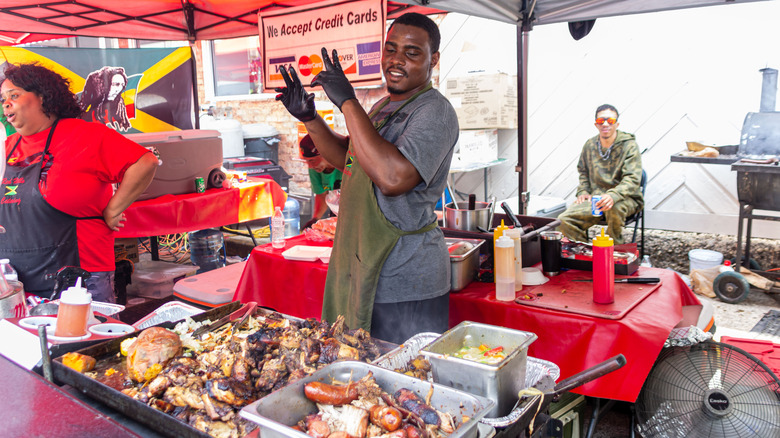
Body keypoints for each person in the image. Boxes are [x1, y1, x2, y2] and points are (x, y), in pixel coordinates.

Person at [275, 13, 459, 344]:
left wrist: (347, 101)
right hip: (365, 271)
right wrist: (310, 117)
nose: (397, 60)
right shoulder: (382, 107)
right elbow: (350, 158)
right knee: (361, 375)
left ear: (435, 59)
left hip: (406, 278)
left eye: (412, 52)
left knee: (402, 379)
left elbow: (392, 177)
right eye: (390, 49)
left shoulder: (435, 111)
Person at [0, 63, 157, 302]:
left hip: (81, 279)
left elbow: (145, 162)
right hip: (16, 280)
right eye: (3, 99)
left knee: (87, 339)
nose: (6, 103)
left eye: (15, 95)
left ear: (42, 97)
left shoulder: (85, 135)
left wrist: (114, 209)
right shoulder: (7, 146)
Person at [558, 104, 643, 244]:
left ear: (617, 123)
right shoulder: (590, 145)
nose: (605, 124)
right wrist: (583, 191)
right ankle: (584, 251)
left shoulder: (629, 145)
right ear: (595, 124)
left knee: (613, 208)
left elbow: (632, 179)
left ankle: (613, 253)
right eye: (600, 121)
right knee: (563, 220)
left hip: (625, 198)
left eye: (610, 121)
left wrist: (612, 196)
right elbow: (583, 171)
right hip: (596, 199)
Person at [299, 134, 342, 229]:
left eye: (312, 161)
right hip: (338, 213)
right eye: (306, 161)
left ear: (325, 153)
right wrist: (315, 219)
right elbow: (322, 195)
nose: (310, 166)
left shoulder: (350, 161)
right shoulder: (315, 169)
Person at [80, 66, 133, 131]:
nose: (119, 89)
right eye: (116, 84)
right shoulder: (86, 119)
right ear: (101, 86)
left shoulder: (120, 111)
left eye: (122, 85)